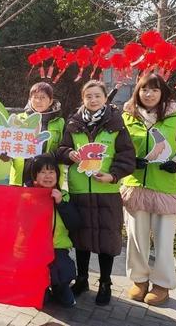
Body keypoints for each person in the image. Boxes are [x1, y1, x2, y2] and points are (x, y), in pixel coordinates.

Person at [56, 80, 135, 306]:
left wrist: (113, 175)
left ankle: (105, 283)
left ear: (105, 98)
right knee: (82, 238)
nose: (93, 100)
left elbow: (127, 157)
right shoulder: (73, 123)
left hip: (106, 191)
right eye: (88, 96)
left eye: (97, 96)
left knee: (106, 239)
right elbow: (61, 150)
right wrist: (69, 153)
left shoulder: (116, 124)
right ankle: (82, 279)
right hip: (80, 190)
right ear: (83, 98)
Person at [121, 74, 176, 306]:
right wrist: (130, 161)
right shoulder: (126, 117)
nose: (149, 94)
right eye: (144, 89)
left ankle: (162, 285)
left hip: (165, 187)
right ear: (137, 92)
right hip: (136, 186)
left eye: (154, 90)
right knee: (136, 238)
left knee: (164, 241)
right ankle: (139, 280)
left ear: (162, 93)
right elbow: (119, 149)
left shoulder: (175, 116)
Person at [27, 154, 80, 308]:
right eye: (42, 172)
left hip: (58, 247)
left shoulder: (64, 196)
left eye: (51, 172)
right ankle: (41, 289)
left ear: (57, 175)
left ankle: (60, 288)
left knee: (63, 269)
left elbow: (75, 223)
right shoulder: (27, 195)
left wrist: (61, 204)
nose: (48, 176)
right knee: (41, 297)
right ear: (35, 175)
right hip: (34, 249)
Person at [0, 82, 65, 186]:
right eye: (35, 97)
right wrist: (5, 154)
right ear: (30, 100)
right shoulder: (17, 119)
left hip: (47, 179)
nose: (39, 101)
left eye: (43, 97)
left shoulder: (59, 122)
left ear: (51, 101)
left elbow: (63, 150)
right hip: (21, 178)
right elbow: (9, 146)